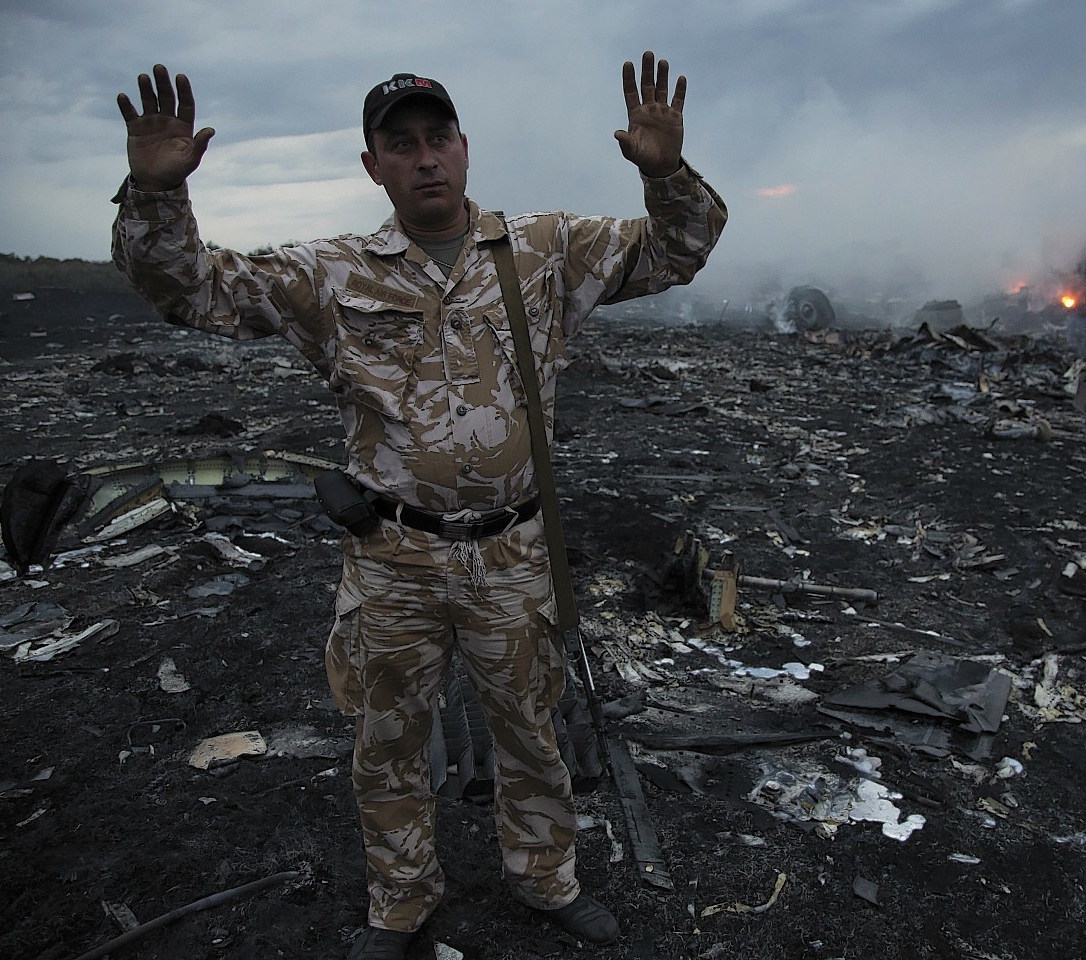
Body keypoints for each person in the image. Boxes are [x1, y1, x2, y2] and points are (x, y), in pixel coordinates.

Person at [112, 53, 726, 960]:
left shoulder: (547, 252)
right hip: (392, 560)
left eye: (439, 138)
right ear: (374, 167)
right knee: (386, 741)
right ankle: (400, 902)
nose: (425, 157)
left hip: (513, 555)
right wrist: (155, 194)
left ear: (466, 148)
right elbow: (192, 291)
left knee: (531, 730)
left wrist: (665, 172)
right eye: (402, 145)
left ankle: (544, 878)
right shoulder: (333, 274)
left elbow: (679, 249)